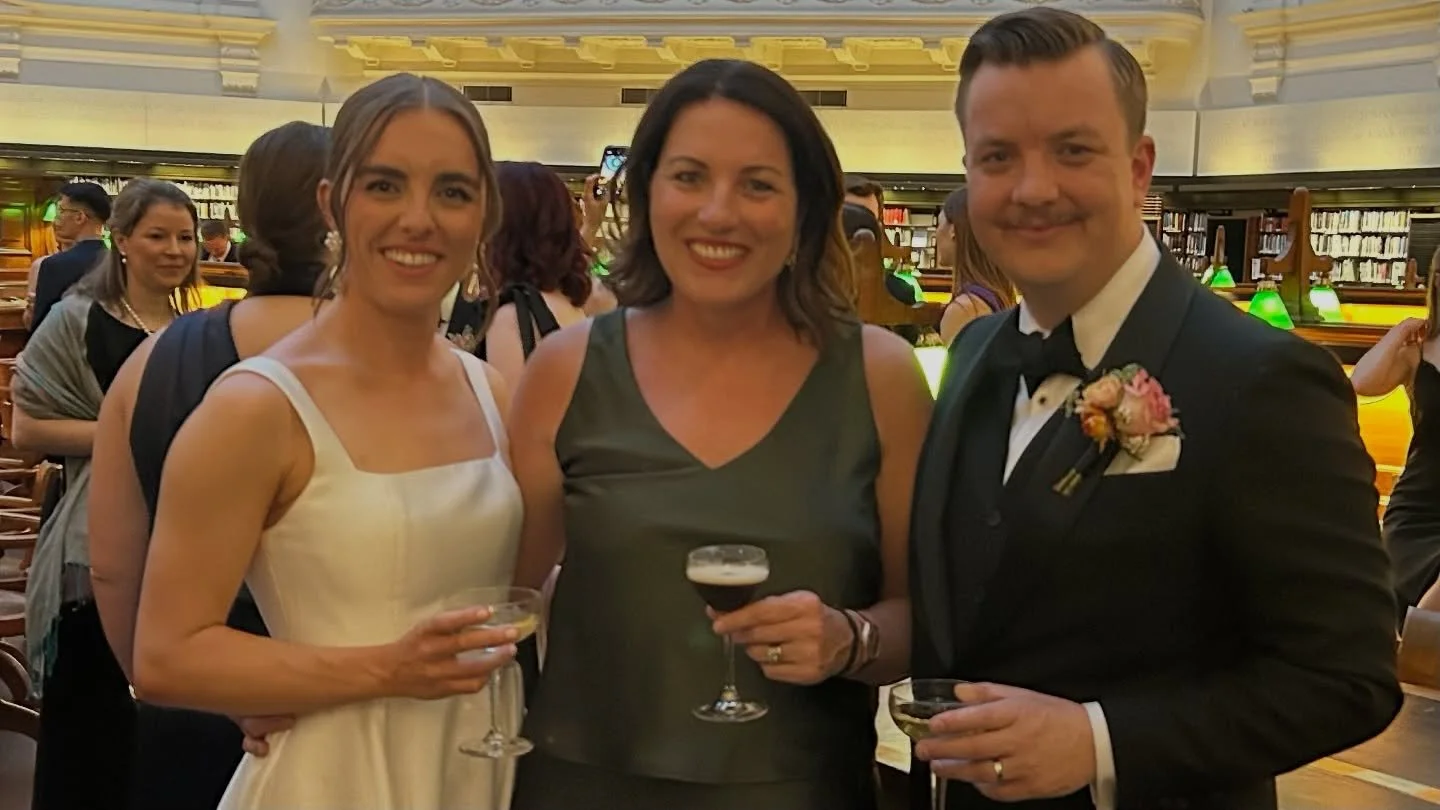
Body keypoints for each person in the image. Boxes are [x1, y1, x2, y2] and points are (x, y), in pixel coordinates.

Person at [908, 9, 1400, 810]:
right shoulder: (972, 355)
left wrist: (1099, 742)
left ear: (1139, 167)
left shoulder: (1266, 377)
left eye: (1073, 150)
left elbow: (1347, 679)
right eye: (999, 157)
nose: (1034, 188)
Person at [507, 58, 932, 810]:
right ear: (647, 194)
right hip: (582, 786)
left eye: (758, 184)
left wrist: (849, 638)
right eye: (690, 177)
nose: (718, 212)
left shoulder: (881, 377)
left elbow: (922, 618)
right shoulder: (565, 370)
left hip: (799, 790)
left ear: (805, 208)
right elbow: (501, 597)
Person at [131, 73, 523, 809]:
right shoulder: (258, 408)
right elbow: (166, 656)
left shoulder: (487, 387)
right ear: (330, 203)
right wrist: (385, 670)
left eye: (452, 191)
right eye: (384, 185)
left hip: (474, 766)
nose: (419, 218)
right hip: (334, 777)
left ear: (483, 216)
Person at [89, 120, 331, 810]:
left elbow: (112, 561)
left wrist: (154, 679)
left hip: (191, 691)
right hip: (341, 689)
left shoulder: (150, 360)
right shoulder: (386, 359)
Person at [17, 178, 203, 810]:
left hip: (171, 540)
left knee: (147, 730)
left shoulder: (192, 329)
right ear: (121, 240)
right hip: (89, 541)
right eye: (157, 235)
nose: (174, 249)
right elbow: (26, 429)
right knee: (89, 717)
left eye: (185, 236)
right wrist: (131, 434)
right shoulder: (76, 320)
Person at [1351, 250, 1440, 621]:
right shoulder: (1417, 354)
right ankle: (1412, 654)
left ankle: (1412, 648)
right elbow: (1360, 383)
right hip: (1418, 515)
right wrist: (1400, 331)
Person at [935, 187, 1015, 345]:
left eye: (939, 223)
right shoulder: (996, 294)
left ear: (953, 230)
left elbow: (961, 370)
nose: (936, 233)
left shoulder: (964, 309)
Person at [31, 181, 112, 332]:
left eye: (61, 211)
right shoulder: (123, 264)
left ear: (79, 217)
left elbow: (41, 330)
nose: (56, 220)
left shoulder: (55, 266)